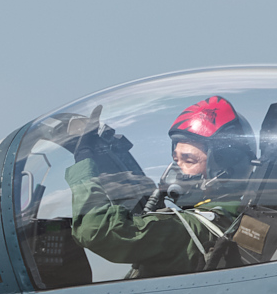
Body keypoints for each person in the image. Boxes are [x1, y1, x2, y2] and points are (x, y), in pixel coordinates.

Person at [57, 96, 258, 279]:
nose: (176, 169)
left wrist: (83, 162)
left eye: (189, 160)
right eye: (176, 159)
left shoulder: (194, 229)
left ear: (224, 171)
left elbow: (98, 231)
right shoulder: (229, 222)